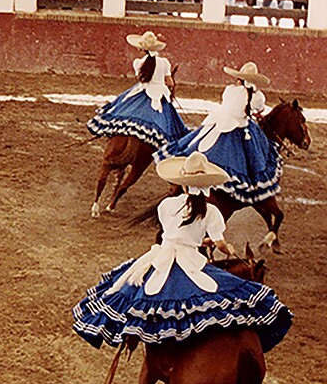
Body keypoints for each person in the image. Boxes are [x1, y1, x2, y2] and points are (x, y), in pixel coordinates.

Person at [72, 152, 291, 354]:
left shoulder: (166, 205)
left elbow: (176, 234)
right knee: (215, 293)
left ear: (183, 183)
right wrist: (227, 247)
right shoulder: (211, 211)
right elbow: (218, 244)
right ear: (207, 185)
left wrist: (199, 240)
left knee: (132, 287)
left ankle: (135, 336)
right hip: (189, 258)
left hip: (163, 254)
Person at [155, 62, 282, 206]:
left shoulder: (230, 90)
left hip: (218, 122)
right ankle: (252, 184)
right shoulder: (258, 96)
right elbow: (257, 111)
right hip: (239, 127)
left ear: (239, 78)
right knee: (253, 156)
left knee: (197, 143)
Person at [86, 31, 187, 150]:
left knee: (121, 105)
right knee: (170, 122)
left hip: (142, 90)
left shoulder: (139, 63)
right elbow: (170, 82)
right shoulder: (164, 63)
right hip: (159, 93)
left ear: (141, 49)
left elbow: (142, 79)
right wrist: (168, 88)